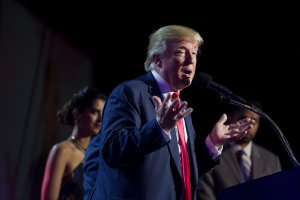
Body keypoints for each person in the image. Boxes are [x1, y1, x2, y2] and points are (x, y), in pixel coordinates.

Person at [83, 25, 255, 200]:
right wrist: (159, 128)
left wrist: (212, 143)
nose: (191, 61)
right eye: (181, 52)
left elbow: (182, 171)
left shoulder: (180, 108)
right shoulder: (130, 93)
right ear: (157, 59)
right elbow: (112, 151)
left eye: (194, 53)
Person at [197, 96, 282, 200]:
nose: (249, 125)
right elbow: (205, 195)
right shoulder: (212, 155)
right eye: (243, 118)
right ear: (230, 118)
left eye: (254, 121)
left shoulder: (272, 161)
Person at [41, 86, 106, 200]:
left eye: (103, 113)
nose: (100, 119)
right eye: (94, 112)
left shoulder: (97, 153)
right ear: (77, 114)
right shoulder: (61, 151)